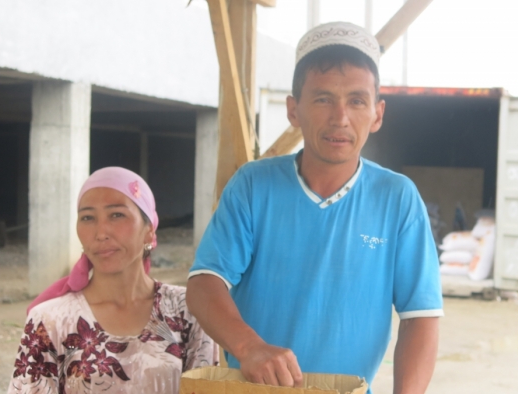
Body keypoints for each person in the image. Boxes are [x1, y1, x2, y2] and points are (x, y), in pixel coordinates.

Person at [187, 21, 443, 394]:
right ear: (294, 110)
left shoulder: (398, 199)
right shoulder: (254, 185)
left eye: (357, 100)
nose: (340, 117)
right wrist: (249, 347)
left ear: (377, 114)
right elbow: (204, 283)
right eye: (323, 99)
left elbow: (421, 317)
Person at [8, 167, 217, 393]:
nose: (101, 232)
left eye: (117, 215)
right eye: (88, 218)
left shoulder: (187, 309)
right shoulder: (50, 320)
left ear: (149, 229)